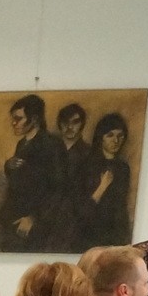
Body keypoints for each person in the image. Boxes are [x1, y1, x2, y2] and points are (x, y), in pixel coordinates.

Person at [0, 94, 64, 251]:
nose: (14, 123)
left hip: (37, 223)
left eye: (18, 118)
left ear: (34, 119)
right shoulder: (22, 143)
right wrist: (9, 166)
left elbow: (58, 188)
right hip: (15, 218)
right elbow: (21, 178)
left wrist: (34, 218)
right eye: (13, 118)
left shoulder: (52, 144)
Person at [76, 113, 133, 249]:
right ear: (101, 137)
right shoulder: (87, 165)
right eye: (110, 135)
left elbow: (121, 205)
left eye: (120, 136)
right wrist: (102, 187)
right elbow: (81, 209)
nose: (116, 140)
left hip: (116, 234)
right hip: (90, 233)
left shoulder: (123, 168)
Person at [47, 103, 90, 250]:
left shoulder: (89, 153)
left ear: (82, 124)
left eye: (75, 122)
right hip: (47, 215)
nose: (70, 127)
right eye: (65, 122)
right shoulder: (50, 150)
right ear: (60, 124)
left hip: (75, 218)